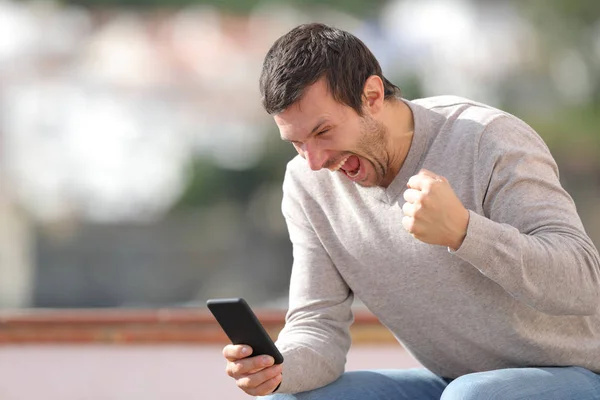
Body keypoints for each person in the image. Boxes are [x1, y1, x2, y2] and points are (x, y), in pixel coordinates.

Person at [221, 23, 600, 399]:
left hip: (579, 375)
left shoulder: (488, 140)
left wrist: (465, 232)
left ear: (371, 95)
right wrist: (278, 369)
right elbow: (317, 325)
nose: (315, 161)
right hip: (451, 383)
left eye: (323, 132)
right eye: (297, 143)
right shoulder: (308, 182)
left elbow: (585, 284)